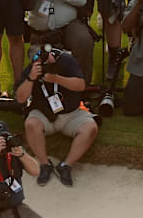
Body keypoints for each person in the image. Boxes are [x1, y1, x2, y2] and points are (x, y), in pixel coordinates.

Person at [15, 46, 98, 187]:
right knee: (31, 124)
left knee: (91, 128)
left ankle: (66, 165)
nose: (48, 62)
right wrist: (31, 78)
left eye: (49, 58)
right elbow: (20, 98)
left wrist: (56, 79)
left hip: (71, 113)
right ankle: (44, 164)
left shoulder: (66, 60)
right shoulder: (32, 70)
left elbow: (81, 85)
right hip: (44, 115)